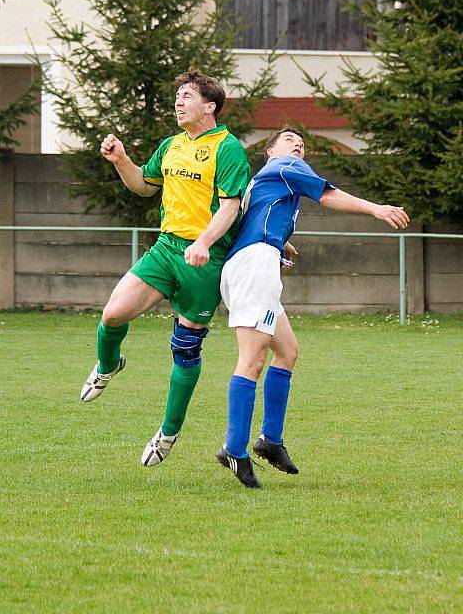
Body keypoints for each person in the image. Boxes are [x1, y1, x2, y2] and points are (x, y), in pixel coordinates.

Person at [216, 128, 410, 488]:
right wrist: (375, 208)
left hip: (255, 263)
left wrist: (279, 246)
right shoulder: (286, 166)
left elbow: (252, 221)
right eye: (289, 139)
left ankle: (270, 440)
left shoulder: (265, 182)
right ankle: (234, 449)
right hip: (254, 266)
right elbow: (328, 194)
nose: (298, 145)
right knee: (252, 359)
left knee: (287, 352)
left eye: (301, 143)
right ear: (271, 151)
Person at [80, 68, 250, 467]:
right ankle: (108, 365)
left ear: (210, 106)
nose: (178, 101)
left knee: (186, 348)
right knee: (113, 313)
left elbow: (230, 207)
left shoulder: (227, 148)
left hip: (204, 259)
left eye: (187, 96)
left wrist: (204, 244)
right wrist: (122, 160)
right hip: (166, 247)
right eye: (177, 95)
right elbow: (143, 184)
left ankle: (168, 432)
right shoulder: (171, 145)